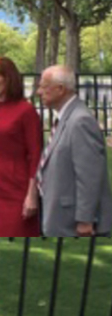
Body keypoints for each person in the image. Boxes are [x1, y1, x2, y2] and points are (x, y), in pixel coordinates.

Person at [36, 65, 112, 236]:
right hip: (61, 216)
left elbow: (90, 176)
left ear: (60, 89)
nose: (38, 92)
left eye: (43, 86)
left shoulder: (80, 120)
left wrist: (85, 220)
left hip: (73, 223)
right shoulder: (68, 117)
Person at [0, 57, 43, 237]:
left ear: (8, 78)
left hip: (18, 187)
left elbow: (35, 155)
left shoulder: (26, 111)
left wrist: (31, 195)